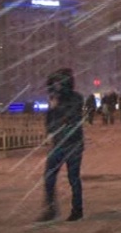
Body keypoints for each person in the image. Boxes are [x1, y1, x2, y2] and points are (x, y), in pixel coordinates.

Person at [37, 68, 85, 223]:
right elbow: (50, 122)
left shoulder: (76, 98)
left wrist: (57, 108)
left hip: (73, 144)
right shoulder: (54, 98)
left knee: (73, 178)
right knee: (49, 176)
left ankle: (77, 210)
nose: (57, 86)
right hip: (59, 144)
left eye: (59, 82)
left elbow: (71, 118)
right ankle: (50, 210)